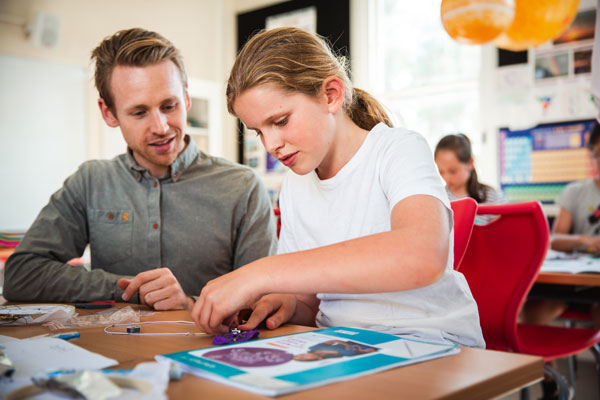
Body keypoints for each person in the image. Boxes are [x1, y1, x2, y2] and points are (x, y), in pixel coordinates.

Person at [191, 27, 485, 349]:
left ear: (331, 95)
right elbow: (312, 304)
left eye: (281, 121)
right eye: (258, 132)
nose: (271, 145)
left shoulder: (398, 149)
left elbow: (422, 257)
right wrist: (288, 304)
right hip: (342, 346)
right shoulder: (296, 186)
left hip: (432, 343)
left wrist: (260, 273)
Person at [3, 28, 277, 310]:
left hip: (204, 351)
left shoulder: (242, 187)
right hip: (111, 351)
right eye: (139, 112)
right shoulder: (90, 182)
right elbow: (21, 275)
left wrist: (189, 303)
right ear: (108, 113)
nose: (161, 127)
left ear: (186, 97)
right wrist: (128, 288)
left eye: (169, 105)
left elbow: (261, 300)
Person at [522, 122, 600, 329]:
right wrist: (586, 240)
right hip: (574, 282)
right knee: (532, 312)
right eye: (598, 154)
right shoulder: (575, 192)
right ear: (592, 155)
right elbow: (554, 239)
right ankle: (547, 362)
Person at [434, 133, 504, 204]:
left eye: (453, 171)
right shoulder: (439, 199)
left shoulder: (491, 195)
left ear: (470, 163)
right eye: (441, 172)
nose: (446, 178)